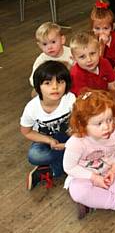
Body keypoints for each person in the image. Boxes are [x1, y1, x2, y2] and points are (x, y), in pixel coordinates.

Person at [64, 90, 115, 219]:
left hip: (109, 171)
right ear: (82, 124)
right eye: (98, 123)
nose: (107, 127)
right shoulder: (76, 142)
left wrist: (114, 169)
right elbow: (70, 167)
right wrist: (93, 178)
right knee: (78, 191)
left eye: (109, 120)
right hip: (85, 176)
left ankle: (94, 201)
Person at [20, 61, 75, 189]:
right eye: (48, 83)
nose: (55, 87)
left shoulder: (70, 99)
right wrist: (48, 140)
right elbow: (26, 131)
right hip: (45, 140)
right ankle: (70, 160)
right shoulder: (32, 108)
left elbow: (79, 122)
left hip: (68, 137)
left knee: (84, 143)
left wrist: (74, 135)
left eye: (60, 82)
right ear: (38, 86)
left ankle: (48, 171)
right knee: (34, 155)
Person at [70, 32, 115, 96]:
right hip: (88, 102)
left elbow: (112, 86)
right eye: (82, 57)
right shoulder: (75, 75)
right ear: (74, 59)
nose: (89, 60)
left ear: (99, 51)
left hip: (106, 98)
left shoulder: (105, 62)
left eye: (92, 53)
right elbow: (83, 99)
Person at [29, 22, 73, 87]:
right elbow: (33, 79)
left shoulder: (71, 53)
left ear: (62, 40)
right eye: (44, 44)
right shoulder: (41, 60)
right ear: (39, 46)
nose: (49, 47)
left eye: (53, 42)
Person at [90, 0, 115, 69]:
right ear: (92, 28)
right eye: (97, 28)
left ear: (112, 27)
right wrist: (102, 46)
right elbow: (95, 65)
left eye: (105, 28)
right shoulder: (91, 42)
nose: (101, 32)